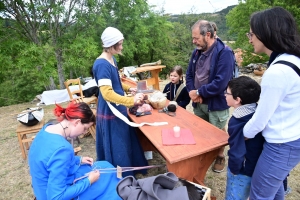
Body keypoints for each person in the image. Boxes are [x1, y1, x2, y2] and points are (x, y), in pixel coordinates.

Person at [243, 7, 300, 199]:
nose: (249, 39)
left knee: (259, 195)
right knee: (274, 190)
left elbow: (260, 120)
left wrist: (241, 134)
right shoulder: (293, 60)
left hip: (281, 145)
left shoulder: (277, 72)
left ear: (264, 33)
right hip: (292, 138)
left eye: (251, 34)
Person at [29, 102, 121, 200]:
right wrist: (89, 181)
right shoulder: (63, 149)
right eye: (85, 128)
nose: (84, 132)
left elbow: (49, 159)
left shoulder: (47, 128)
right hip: (49, 194)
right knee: (109, 186)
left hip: (44, 185)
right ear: (76, 122)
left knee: (105, 166)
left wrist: (78, 160)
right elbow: (57, 197)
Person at [92, 27, 148, 177]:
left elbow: (115, 83)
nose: (122, 47)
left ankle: (130, 169)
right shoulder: (101, 64)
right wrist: (130, 101)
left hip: (119, 107)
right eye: (120, 44)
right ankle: (121, 177)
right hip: (111, 110)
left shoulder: (112, 59)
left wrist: (128, 89)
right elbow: (107, 93)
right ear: (111, 44)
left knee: (125, 140)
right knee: (118, 145)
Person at [185, 20, 235, 172]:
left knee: (217, 133)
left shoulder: (224, 52)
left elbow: (221, 82)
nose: (194, 42)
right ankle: (204, 156)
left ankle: (220, 155)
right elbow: (189, 75)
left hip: (216, 103)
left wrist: (199, 92)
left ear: (208, 35)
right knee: (202, 133)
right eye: (193, 38)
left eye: (196, 38)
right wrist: (192, 92)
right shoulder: (197, 52)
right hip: (199, 102)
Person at [224, 76, 264, 199]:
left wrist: (234, 169)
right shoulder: (257, 111)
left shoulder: (237, 121)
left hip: (242, 169)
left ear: (237, 100)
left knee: (235, 195)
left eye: (227, 93)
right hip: (257, 165)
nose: (225, 95)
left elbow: (237, 148)